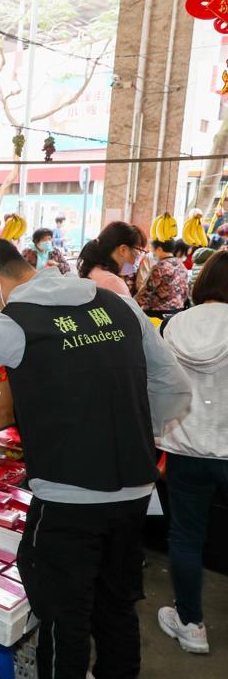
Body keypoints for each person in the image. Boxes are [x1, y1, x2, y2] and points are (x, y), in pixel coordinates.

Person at [0, 239, 191, 679]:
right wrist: (133, 433)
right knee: (117, 605)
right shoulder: (118, 305)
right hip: (135, 491)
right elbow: (173, 384)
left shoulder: (13, 322)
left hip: (68, 497)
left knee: (64, 616)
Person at [156, 251, 228, 655]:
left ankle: (190, 625)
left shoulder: (174, 325)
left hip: (186, 447)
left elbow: (160, 383)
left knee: (186, 537)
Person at [77, 221, 147, 296]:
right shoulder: (113, 283)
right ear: (123, 250)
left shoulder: (93, 271)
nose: (139, 257)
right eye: (139, 251)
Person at [135, 238, 190, 314]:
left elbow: (146, 292)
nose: (152, 252)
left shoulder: (160, 267)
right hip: (178, 309)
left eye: (152, 249)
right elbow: (185, 290)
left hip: (158, 312)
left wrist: (133, 305)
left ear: (159, 249)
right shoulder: (181, 264)